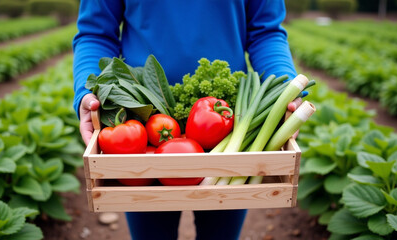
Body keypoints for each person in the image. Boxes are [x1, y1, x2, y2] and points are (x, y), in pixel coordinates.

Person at [73, 1, 301, 239]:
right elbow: (96, 33)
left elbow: (265, 32)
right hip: (142, 131)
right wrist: (88, 92)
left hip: (229, 130)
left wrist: (286, 91)